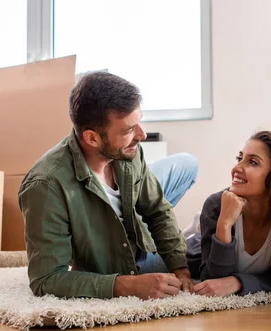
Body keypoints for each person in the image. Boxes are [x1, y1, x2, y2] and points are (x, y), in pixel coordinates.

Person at [18, 71, 198, 300]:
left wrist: (180, 268)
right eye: (129, 130)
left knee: (187, 168)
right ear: (92, 138)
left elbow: (158, 211)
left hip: (142, 245)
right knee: (206, 253)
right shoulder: (45, 186)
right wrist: (128, 286)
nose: (141, 135)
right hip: (115, 267)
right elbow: (46, 279)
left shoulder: (129, 152)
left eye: (139, 123)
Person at [187, 131, 271, 304]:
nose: (236, 168)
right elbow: (213, 283)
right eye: (240, 159)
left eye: (252, 162)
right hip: (189, 250)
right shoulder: (216, 205)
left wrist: (238, 282)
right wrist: (224, 224)